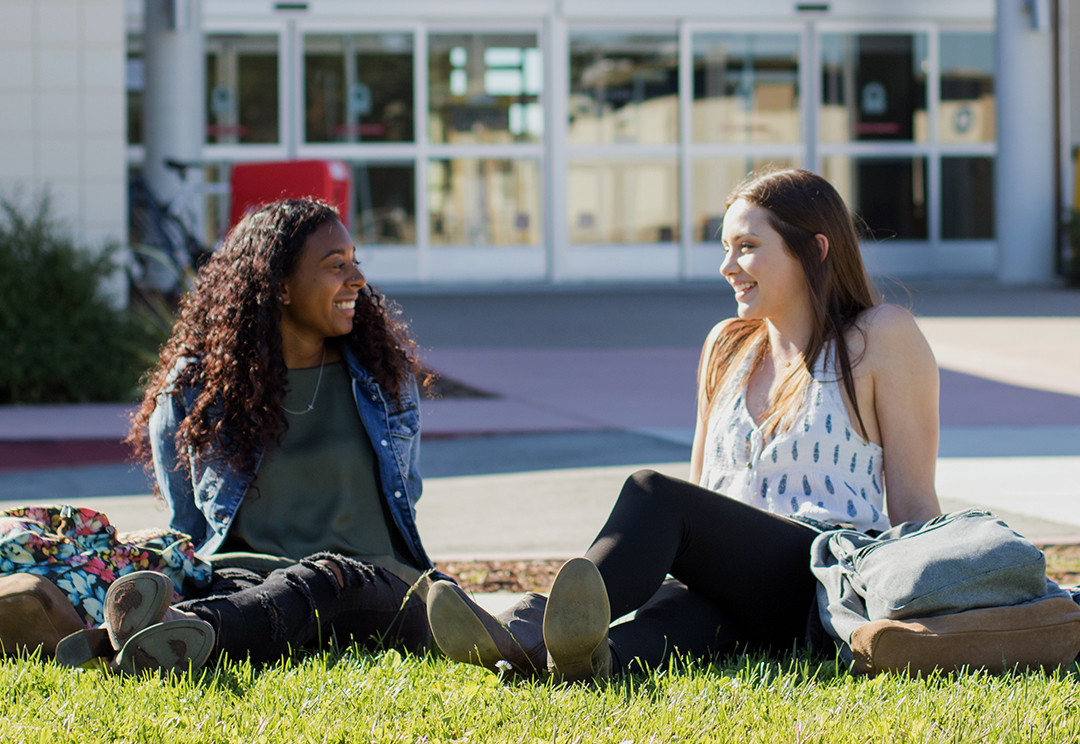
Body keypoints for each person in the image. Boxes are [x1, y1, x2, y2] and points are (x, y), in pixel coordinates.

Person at [425, 168, 941, 681]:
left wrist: (940, 610)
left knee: (655, 494)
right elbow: (704, 496)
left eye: (746, 246)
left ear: (816, 249)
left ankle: (524, 625)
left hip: (819, 583)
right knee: (670, 622)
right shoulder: (728, 346)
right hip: (737, 591)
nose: (727, 266)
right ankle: (565, 661)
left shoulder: (877, 336)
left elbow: (915, 506)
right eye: (724, 247)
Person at [59, 198, 435, 674]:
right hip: (248, 578)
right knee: (247, 591)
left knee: (325, 578)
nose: (357, 279)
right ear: (279, 286)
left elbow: (408, 495)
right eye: (336, 265)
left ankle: (136, 643)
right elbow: (188, 527)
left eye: (354, 262)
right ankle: (159, 642)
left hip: (375, 582)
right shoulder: (197, 391)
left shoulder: (383, 381)